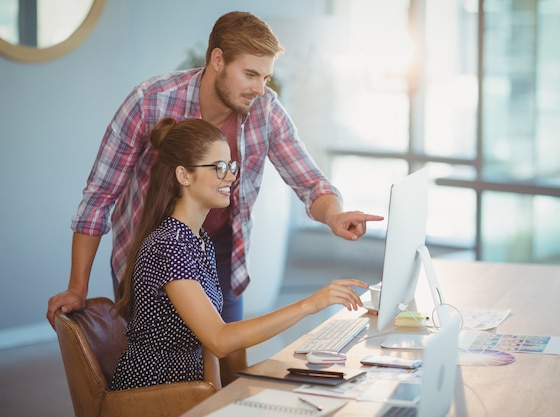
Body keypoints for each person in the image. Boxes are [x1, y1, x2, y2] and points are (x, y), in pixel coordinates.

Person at [46, 10, 383, 384]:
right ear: (217, 60)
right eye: (250, 74)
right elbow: (99, 199)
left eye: (266, 77)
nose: (260, 88)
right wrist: (78, 287)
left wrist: (334, 215)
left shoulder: (265, 110)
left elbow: (310, 182)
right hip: (149, 248)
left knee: (225, 361)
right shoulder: (150, 102)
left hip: (215, 247)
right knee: (162, 361)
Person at [109, 117, 367, 391]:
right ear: (184, 175)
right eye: (219, 167)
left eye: (231, 166)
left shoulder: (198, 240)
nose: (231, 176)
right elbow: (219, 339)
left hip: (191, 392)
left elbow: (207, 346)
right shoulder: (168, 245)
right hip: (154, 395)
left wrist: (218, 398)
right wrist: (310, 304)